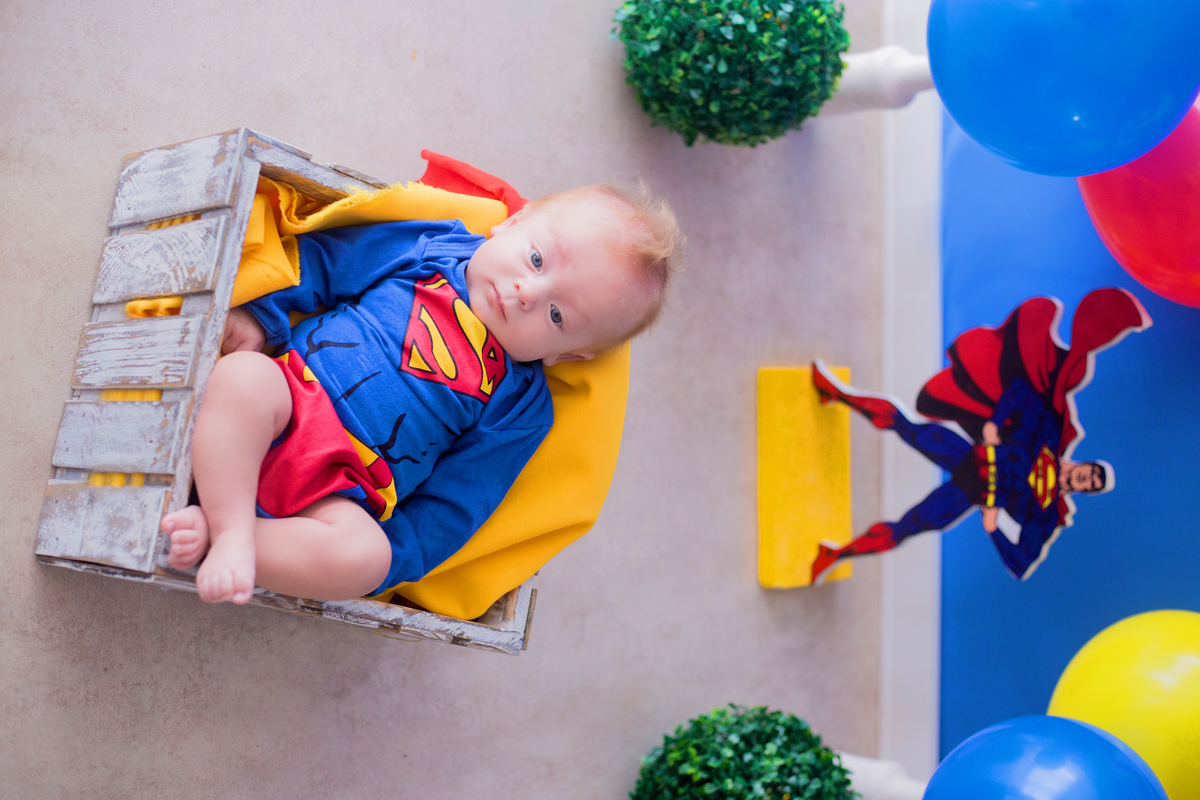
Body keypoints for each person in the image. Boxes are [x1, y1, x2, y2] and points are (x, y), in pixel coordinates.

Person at [161, 184, 682, 604]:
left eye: (558, 316)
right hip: (291, 397)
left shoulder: (521, 408)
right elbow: (325, 263)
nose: (528, 292)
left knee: (364, 560)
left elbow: (456, 504)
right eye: (538, 259)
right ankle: (228, 524)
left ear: (567, 356)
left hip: (345, 493)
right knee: (243, 376)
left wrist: (396, 555)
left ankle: (227, 537)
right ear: (511, 224)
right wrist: (264, 312)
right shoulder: (433, 248)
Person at [809, 288, 1151, 583]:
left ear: (1085, 491)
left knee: (907, 527)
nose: (1085, 479)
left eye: (1090, 484)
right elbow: (1021, 392)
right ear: (1084, 464)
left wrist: (994, 529)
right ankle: (835, 393)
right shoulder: (1051, 435)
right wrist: (995, 424)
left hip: (969, 492)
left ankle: (834, 555)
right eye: (1090, 473)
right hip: (970, 455)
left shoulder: (1047, 512)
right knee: (905, 424)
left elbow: (1021, 563)